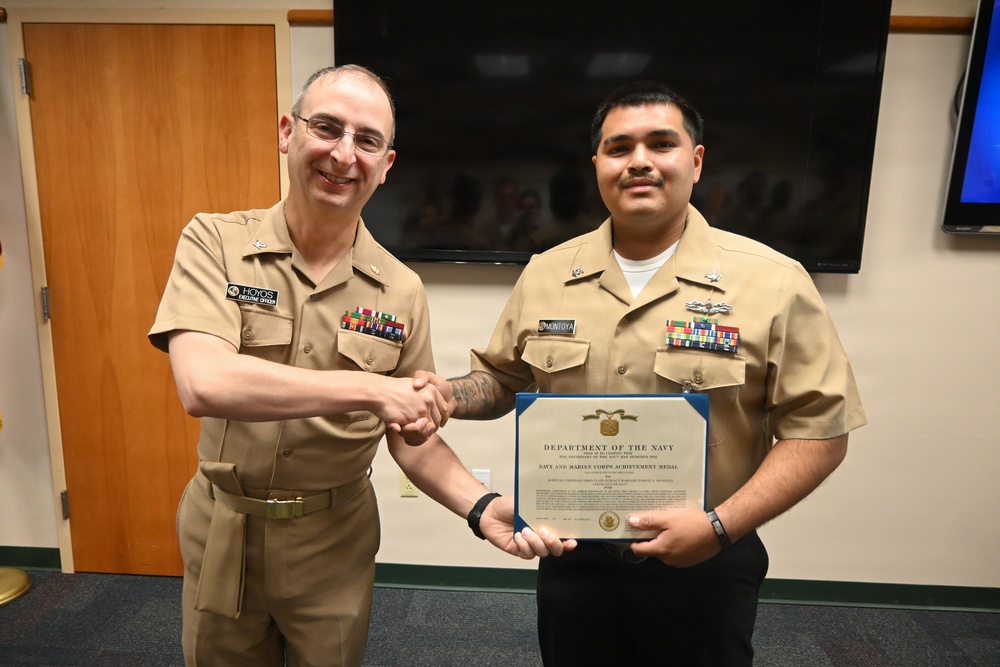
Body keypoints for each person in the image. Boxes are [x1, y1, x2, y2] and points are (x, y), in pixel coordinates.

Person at [413, 80, 867, 666]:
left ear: (696, 161)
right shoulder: (548, 272)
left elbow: (821, 430)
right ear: (598, 164)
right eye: (620, 147)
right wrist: (442, 396)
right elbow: (504, 379)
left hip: (706, 561)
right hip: (573, 557)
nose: (640, 162)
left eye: (661, 143)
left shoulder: (774, 282)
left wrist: (720, 527)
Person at [148, 65, 561, 667]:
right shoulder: (214, 241)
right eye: (327, 128)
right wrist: (370, 389)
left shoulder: (401, 288)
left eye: (367, 140)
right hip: (223, 527)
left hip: (333, 541)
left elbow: (412, 436)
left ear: (386, 164)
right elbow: (203, 381)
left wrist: (480, 505)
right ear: (288, 132)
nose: (344, 154)